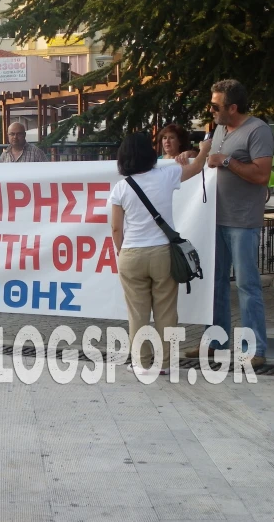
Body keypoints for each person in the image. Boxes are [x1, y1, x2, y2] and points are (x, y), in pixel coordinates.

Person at [180, 80, 272, 367]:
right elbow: (210, 161)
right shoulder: (219, 128)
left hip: (242, 221)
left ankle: (255, 349)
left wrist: (227, 161)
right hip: (215, 219)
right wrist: (193, 156)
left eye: (216, 105)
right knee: (216, 284)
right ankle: (215, 343)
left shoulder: (258, 130)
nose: (211, 109)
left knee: (247, 285)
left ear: (233, 107)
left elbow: (261, 176)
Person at [110, 133, 208, 375]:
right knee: (166, 311)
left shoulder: (121, 188)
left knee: (137, 312)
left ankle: (141, 363)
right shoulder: (166, 176)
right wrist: (204, 149)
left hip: (132, 253)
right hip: (163, 253)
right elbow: (196, 168)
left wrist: (122, 250)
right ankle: (166, 364)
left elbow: (115, 228)